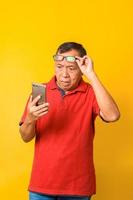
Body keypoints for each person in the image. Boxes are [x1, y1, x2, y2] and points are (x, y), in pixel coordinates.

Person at [19, 42, 120, 200]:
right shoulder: (40, 92)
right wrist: (30, 119)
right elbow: (25, 137)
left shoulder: (91, 93)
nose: (64, 74)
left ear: (81, 68)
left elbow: (113, 115)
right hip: (41, 186)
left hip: (77, 187)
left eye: (71, 68)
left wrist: (91, 74)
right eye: (59, 66)